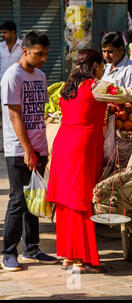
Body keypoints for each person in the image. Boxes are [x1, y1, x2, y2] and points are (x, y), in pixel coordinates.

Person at [46, 49, 132, 273]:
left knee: (66, 202)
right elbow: (128, 94)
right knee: (81, 201)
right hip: (83, 146)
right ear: (96, 66)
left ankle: (69, 256)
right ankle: (82, 259)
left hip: (64, 143)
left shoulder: (66, 87)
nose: (102, 70)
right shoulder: (94, 86)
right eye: (101, 66)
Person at [0, 31, 57, 271]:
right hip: (18, 149)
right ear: (25, 51)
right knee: (18, 200)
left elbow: (39, 111)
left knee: (34, 199)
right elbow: (15, 115)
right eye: (38, 54)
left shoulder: (42, 76)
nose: (43, 58)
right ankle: (8, 252)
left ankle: (32, 248)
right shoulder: (12, 76)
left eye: (45, 54)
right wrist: (27, 149)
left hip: (39, 146)